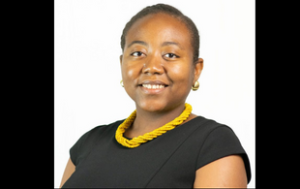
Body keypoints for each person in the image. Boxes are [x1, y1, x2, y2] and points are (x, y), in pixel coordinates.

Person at [60, 3, 251, 188]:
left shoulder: (213, 145)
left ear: (196, 69)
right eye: (137, 53)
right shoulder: (89, 143)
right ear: (121, 64)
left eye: (171, 55)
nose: (151, 67)